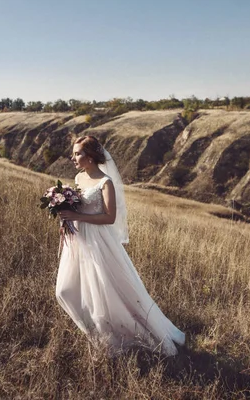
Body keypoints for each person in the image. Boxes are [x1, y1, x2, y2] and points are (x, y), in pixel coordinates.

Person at [56, 136, 185, 356]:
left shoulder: (105, 182)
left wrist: (77, 215)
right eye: (74, 153)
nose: (73, 157)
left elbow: (109, 217)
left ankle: (113, 337)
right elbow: (78, 205)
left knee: (103, 291)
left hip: (98, 240)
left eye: (78, 153)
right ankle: (94, 331)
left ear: (91, 156)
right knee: (65, 290)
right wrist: (66, 218)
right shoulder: (78, 177)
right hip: (78, 239)